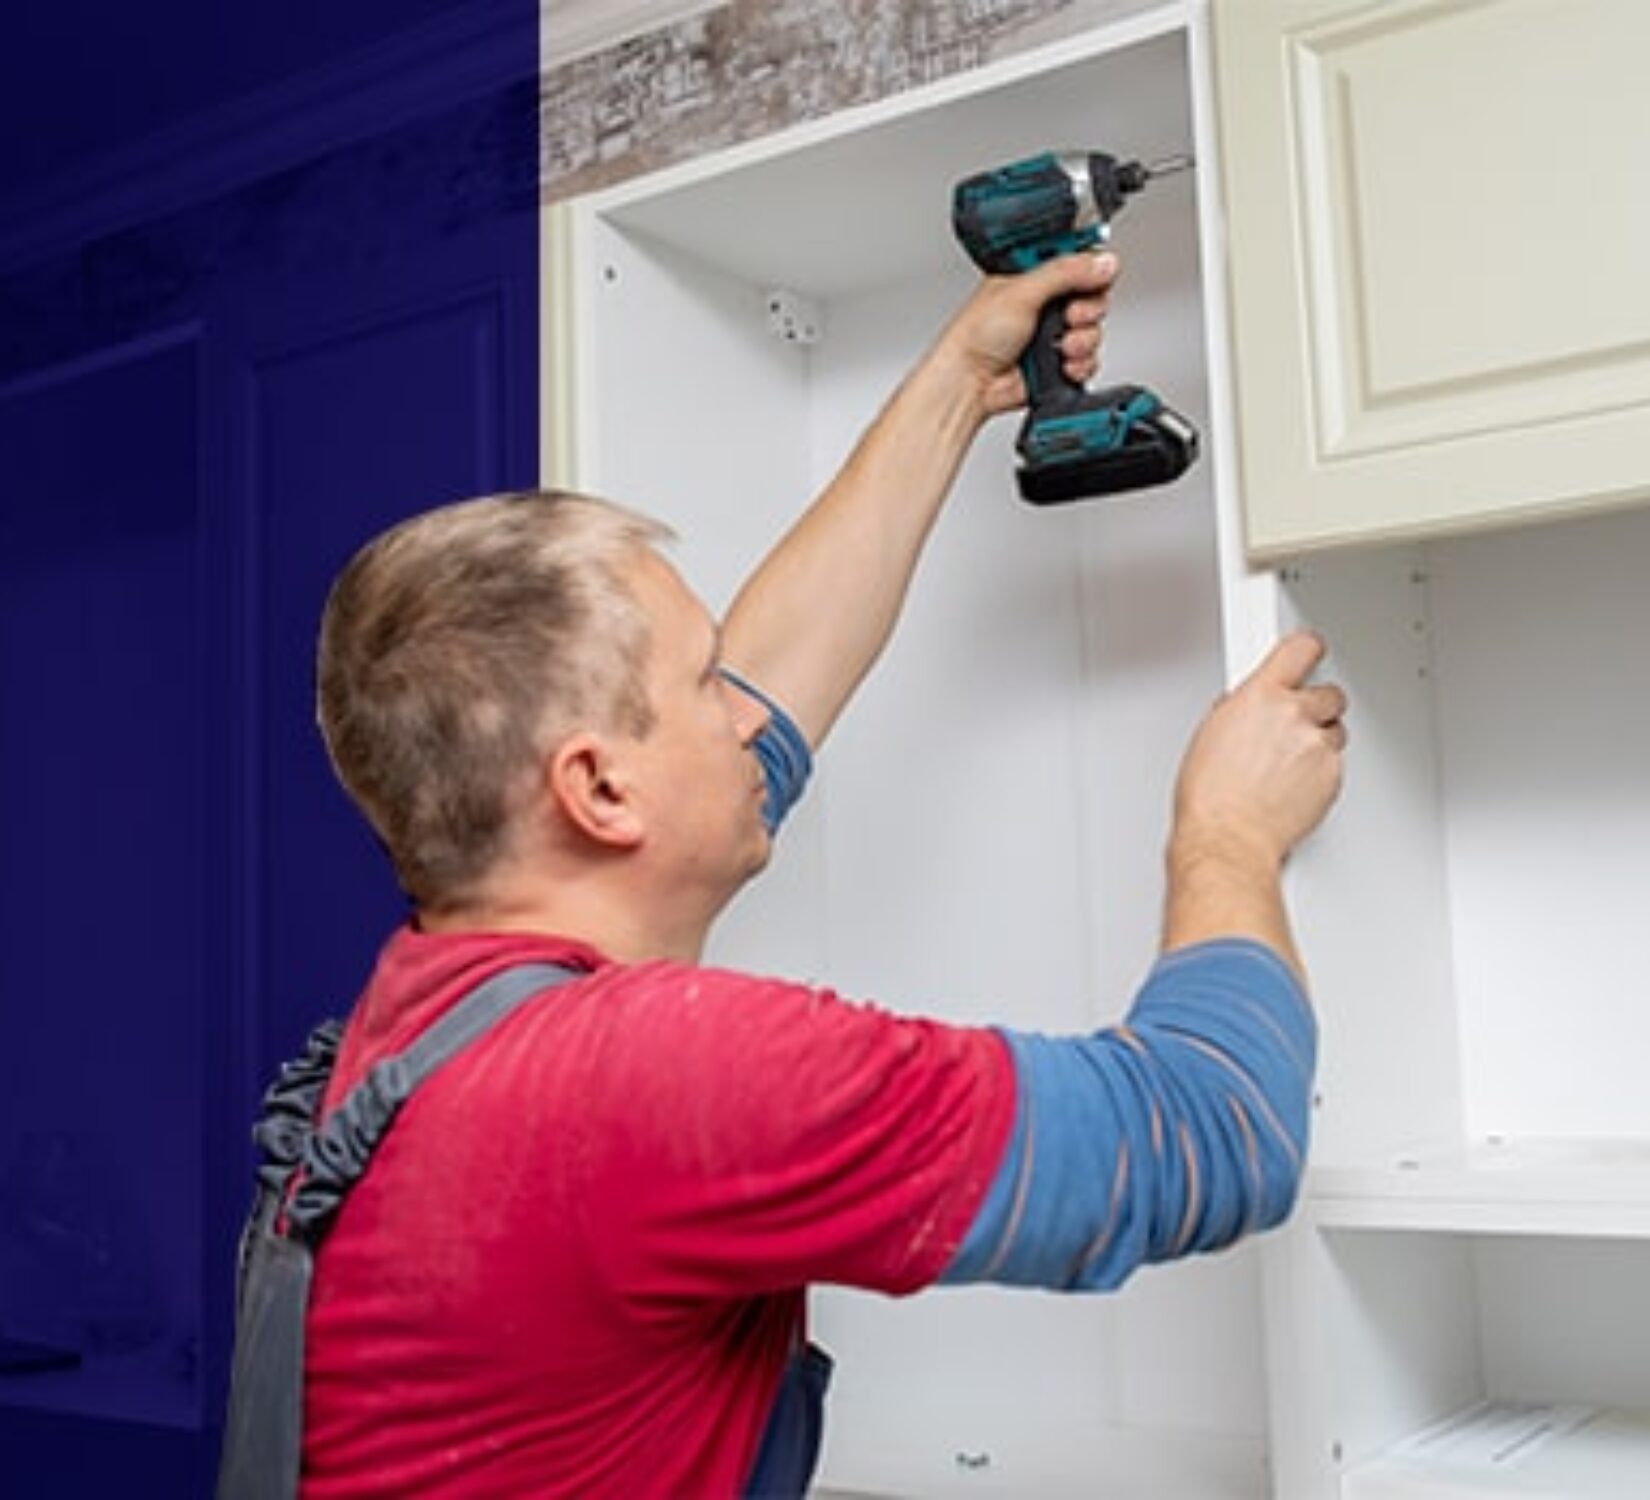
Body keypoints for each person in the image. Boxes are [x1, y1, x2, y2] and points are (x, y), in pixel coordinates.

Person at [254, 251, 1347, 1498]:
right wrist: (1227, 835)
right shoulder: (659, 1078)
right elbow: (1211, 1138)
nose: (745, 717)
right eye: (705, 679)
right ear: (600, 789)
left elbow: (760, 714)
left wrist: (957, 381)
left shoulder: (416, 1038)